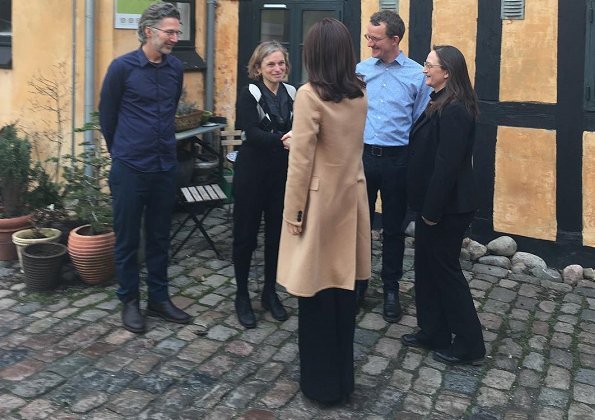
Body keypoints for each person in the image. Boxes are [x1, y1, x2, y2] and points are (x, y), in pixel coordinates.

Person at [277, 18, 371, 405]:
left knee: (314, 298)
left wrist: (292, 214)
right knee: (343, 297)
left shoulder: (308, 95)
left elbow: (301, 164)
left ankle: (320, 386)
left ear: (314, 54)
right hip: (350, 200)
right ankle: (343, 381)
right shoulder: (359, 92)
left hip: (316, 206)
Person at [99, 2, 191, 333]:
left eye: (178, 32)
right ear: (149, 31)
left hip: (164, 165)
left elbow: (171, 109)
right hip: (130, 168)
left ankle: (158, 299)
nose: (175, 38)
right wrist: (122, 152)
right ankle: (129, 302)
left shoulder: (175, 68)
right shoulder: (121, 68)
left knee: (159, 237)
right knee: (127, 239)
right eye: (170, 32)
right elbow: (107, 116)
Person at [402, 45, 486, 366]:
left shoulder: (455, 110)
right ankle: (433, 331)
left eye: (429, 65)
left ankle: (470, 344)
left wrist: (431, 213)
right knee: (425, 267)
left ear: (447, 72)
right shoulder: (439, 99)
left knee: (446, 272)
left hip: (446, 208)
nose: (424, 70)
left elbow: (446, 167)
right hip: (431, 204)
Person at [355, 10, 431, 322]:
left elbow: (419, 122)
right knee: (359, 227)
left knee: (394, 230)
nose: (369, 43)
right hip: (363, 159)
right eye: (368, 37)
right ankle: (358, 284)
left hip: (398, 161)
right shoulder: (360, 71)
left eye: (375, 38)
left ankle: (390, 289)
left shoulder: (417, 75)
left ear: (394, 39)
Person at [232, 41, 294, 329]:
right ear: (258, 68)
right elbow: (251, 133)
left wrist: (289, 139)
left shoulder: (292, 93)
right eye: (271, 64)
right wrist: (282, 140)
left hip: (280, 174)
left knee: (275, 236)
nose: (277, 68)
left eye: (281, 63)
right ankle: (242, 295)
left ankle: (270, 292)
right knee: (245, 236)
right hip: (251, 174)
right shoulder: (249, 94)